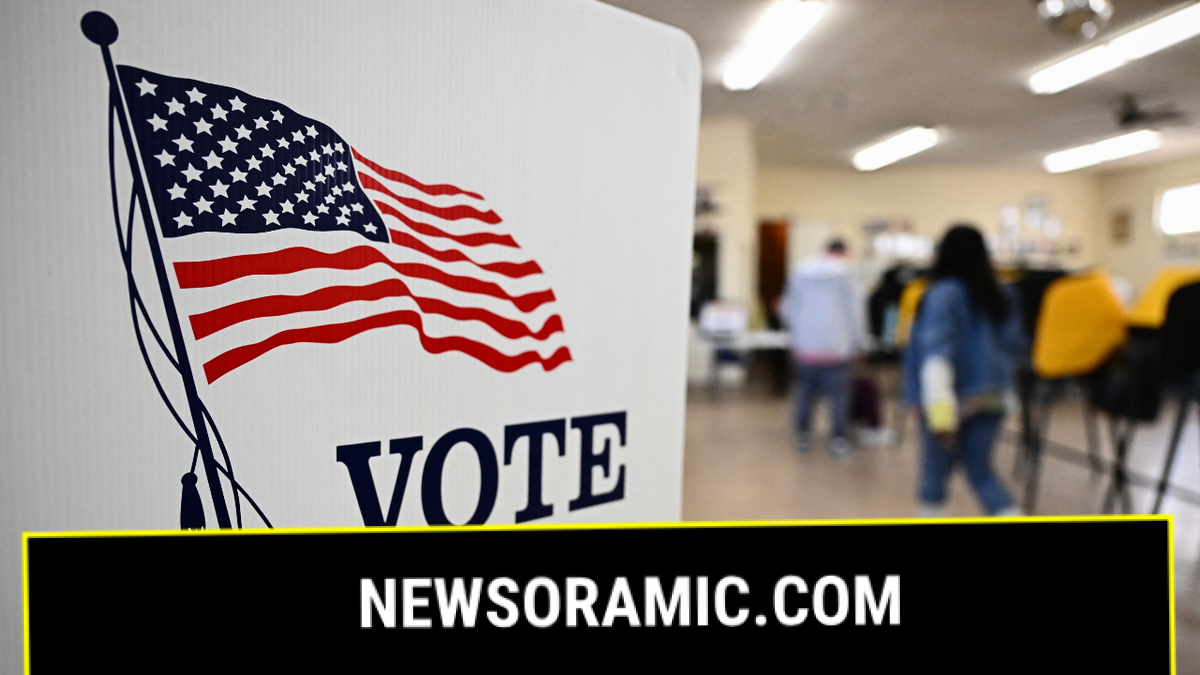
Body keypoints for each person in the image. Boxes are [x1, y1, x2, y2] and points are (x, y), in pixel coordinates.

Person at [903, 224, 1023, 516]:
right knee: (981, 472)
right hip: (992, 398)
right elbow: (1014, 348)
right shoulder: (1003, 294)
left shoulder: (941, 294)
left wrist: (941, 415)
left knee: (934, 479)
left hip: (947, 402)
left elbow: (936, 357)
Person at [781, 238, 868, 457]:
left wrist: (796, 336)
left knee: (804, 394)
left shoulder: (800, 271)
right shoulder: (848, 274)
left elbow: (788, 309)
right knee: (838, 397)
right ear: (843, 252)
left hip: (805, 348)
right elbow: (856, 313)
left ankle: (803, 435)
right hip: (837, 349)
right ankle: (839, 439)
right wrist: (859, 344)